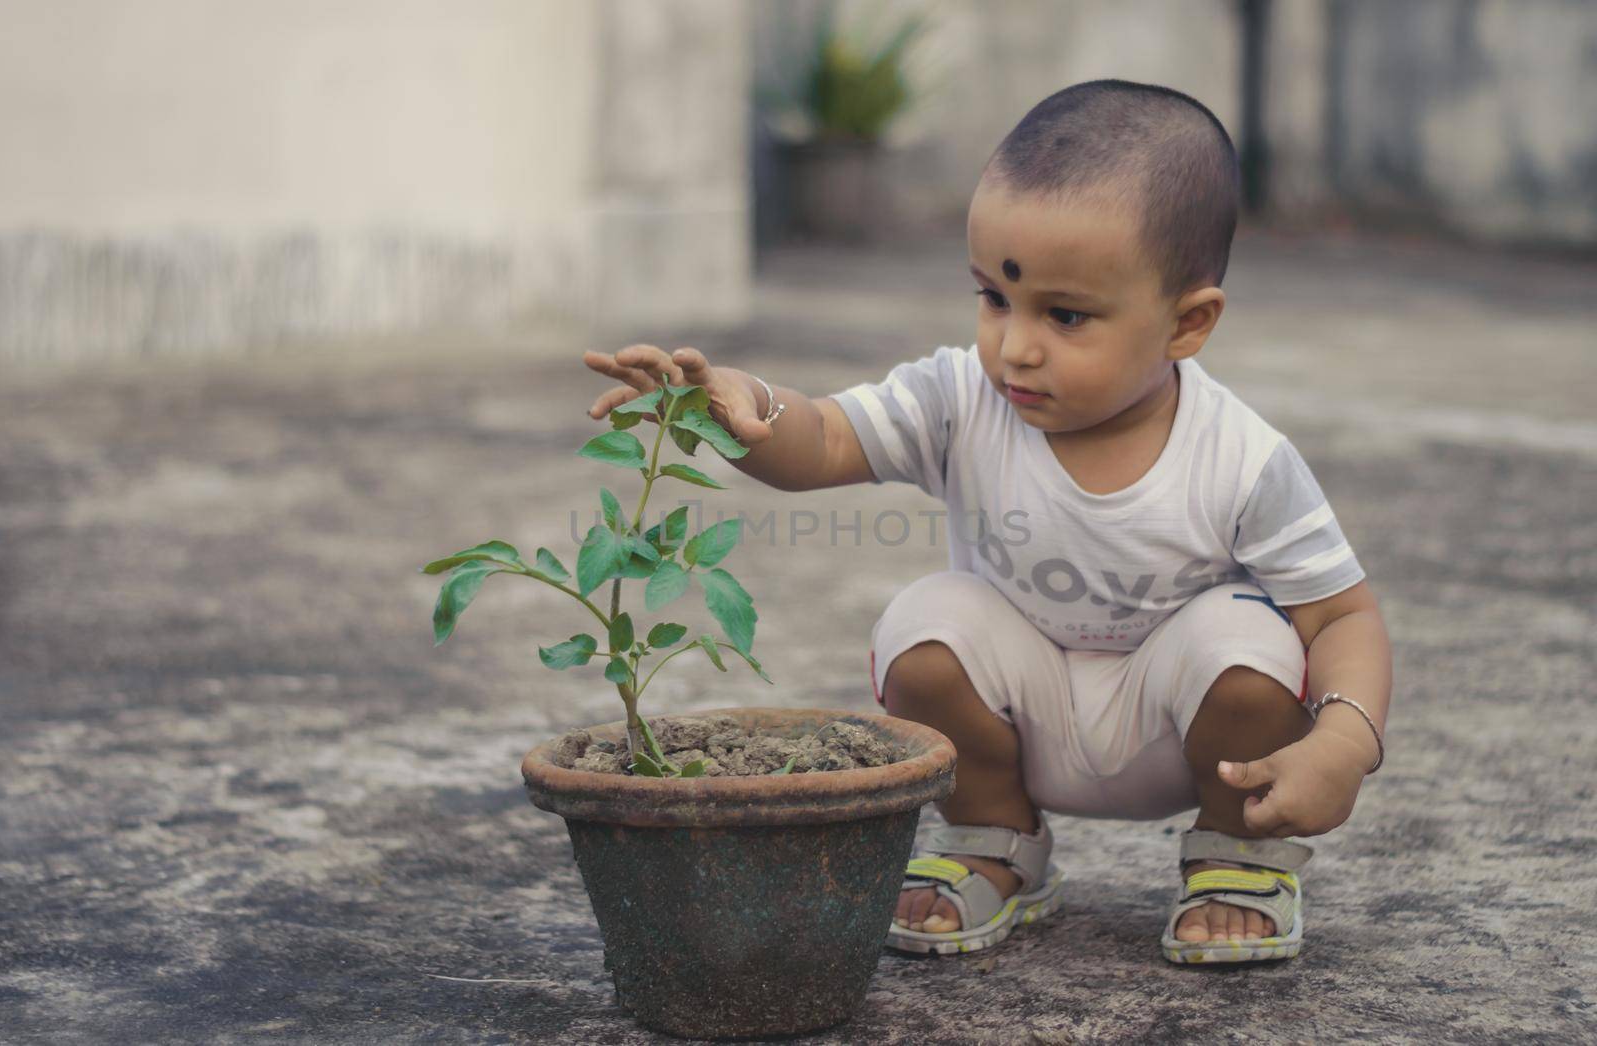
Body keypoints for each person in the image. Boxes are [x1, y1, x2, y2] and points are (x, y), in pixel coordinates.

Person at [581, 79, 1391, 965]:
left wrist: (1346, 739)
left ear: (1186, 324)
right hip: (1016, 717)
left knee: (1249, 645)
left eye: (1066, 314)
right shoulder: (961, 397)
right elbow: (827, 441)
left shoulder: (1240, 457)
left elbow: (1342, 615)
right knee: (925, 624)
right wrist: (748, 409)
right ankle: (993, 836)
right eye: (995, 297)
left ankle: (1239, 854)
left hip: (1185, 731)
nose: (1015, 346)